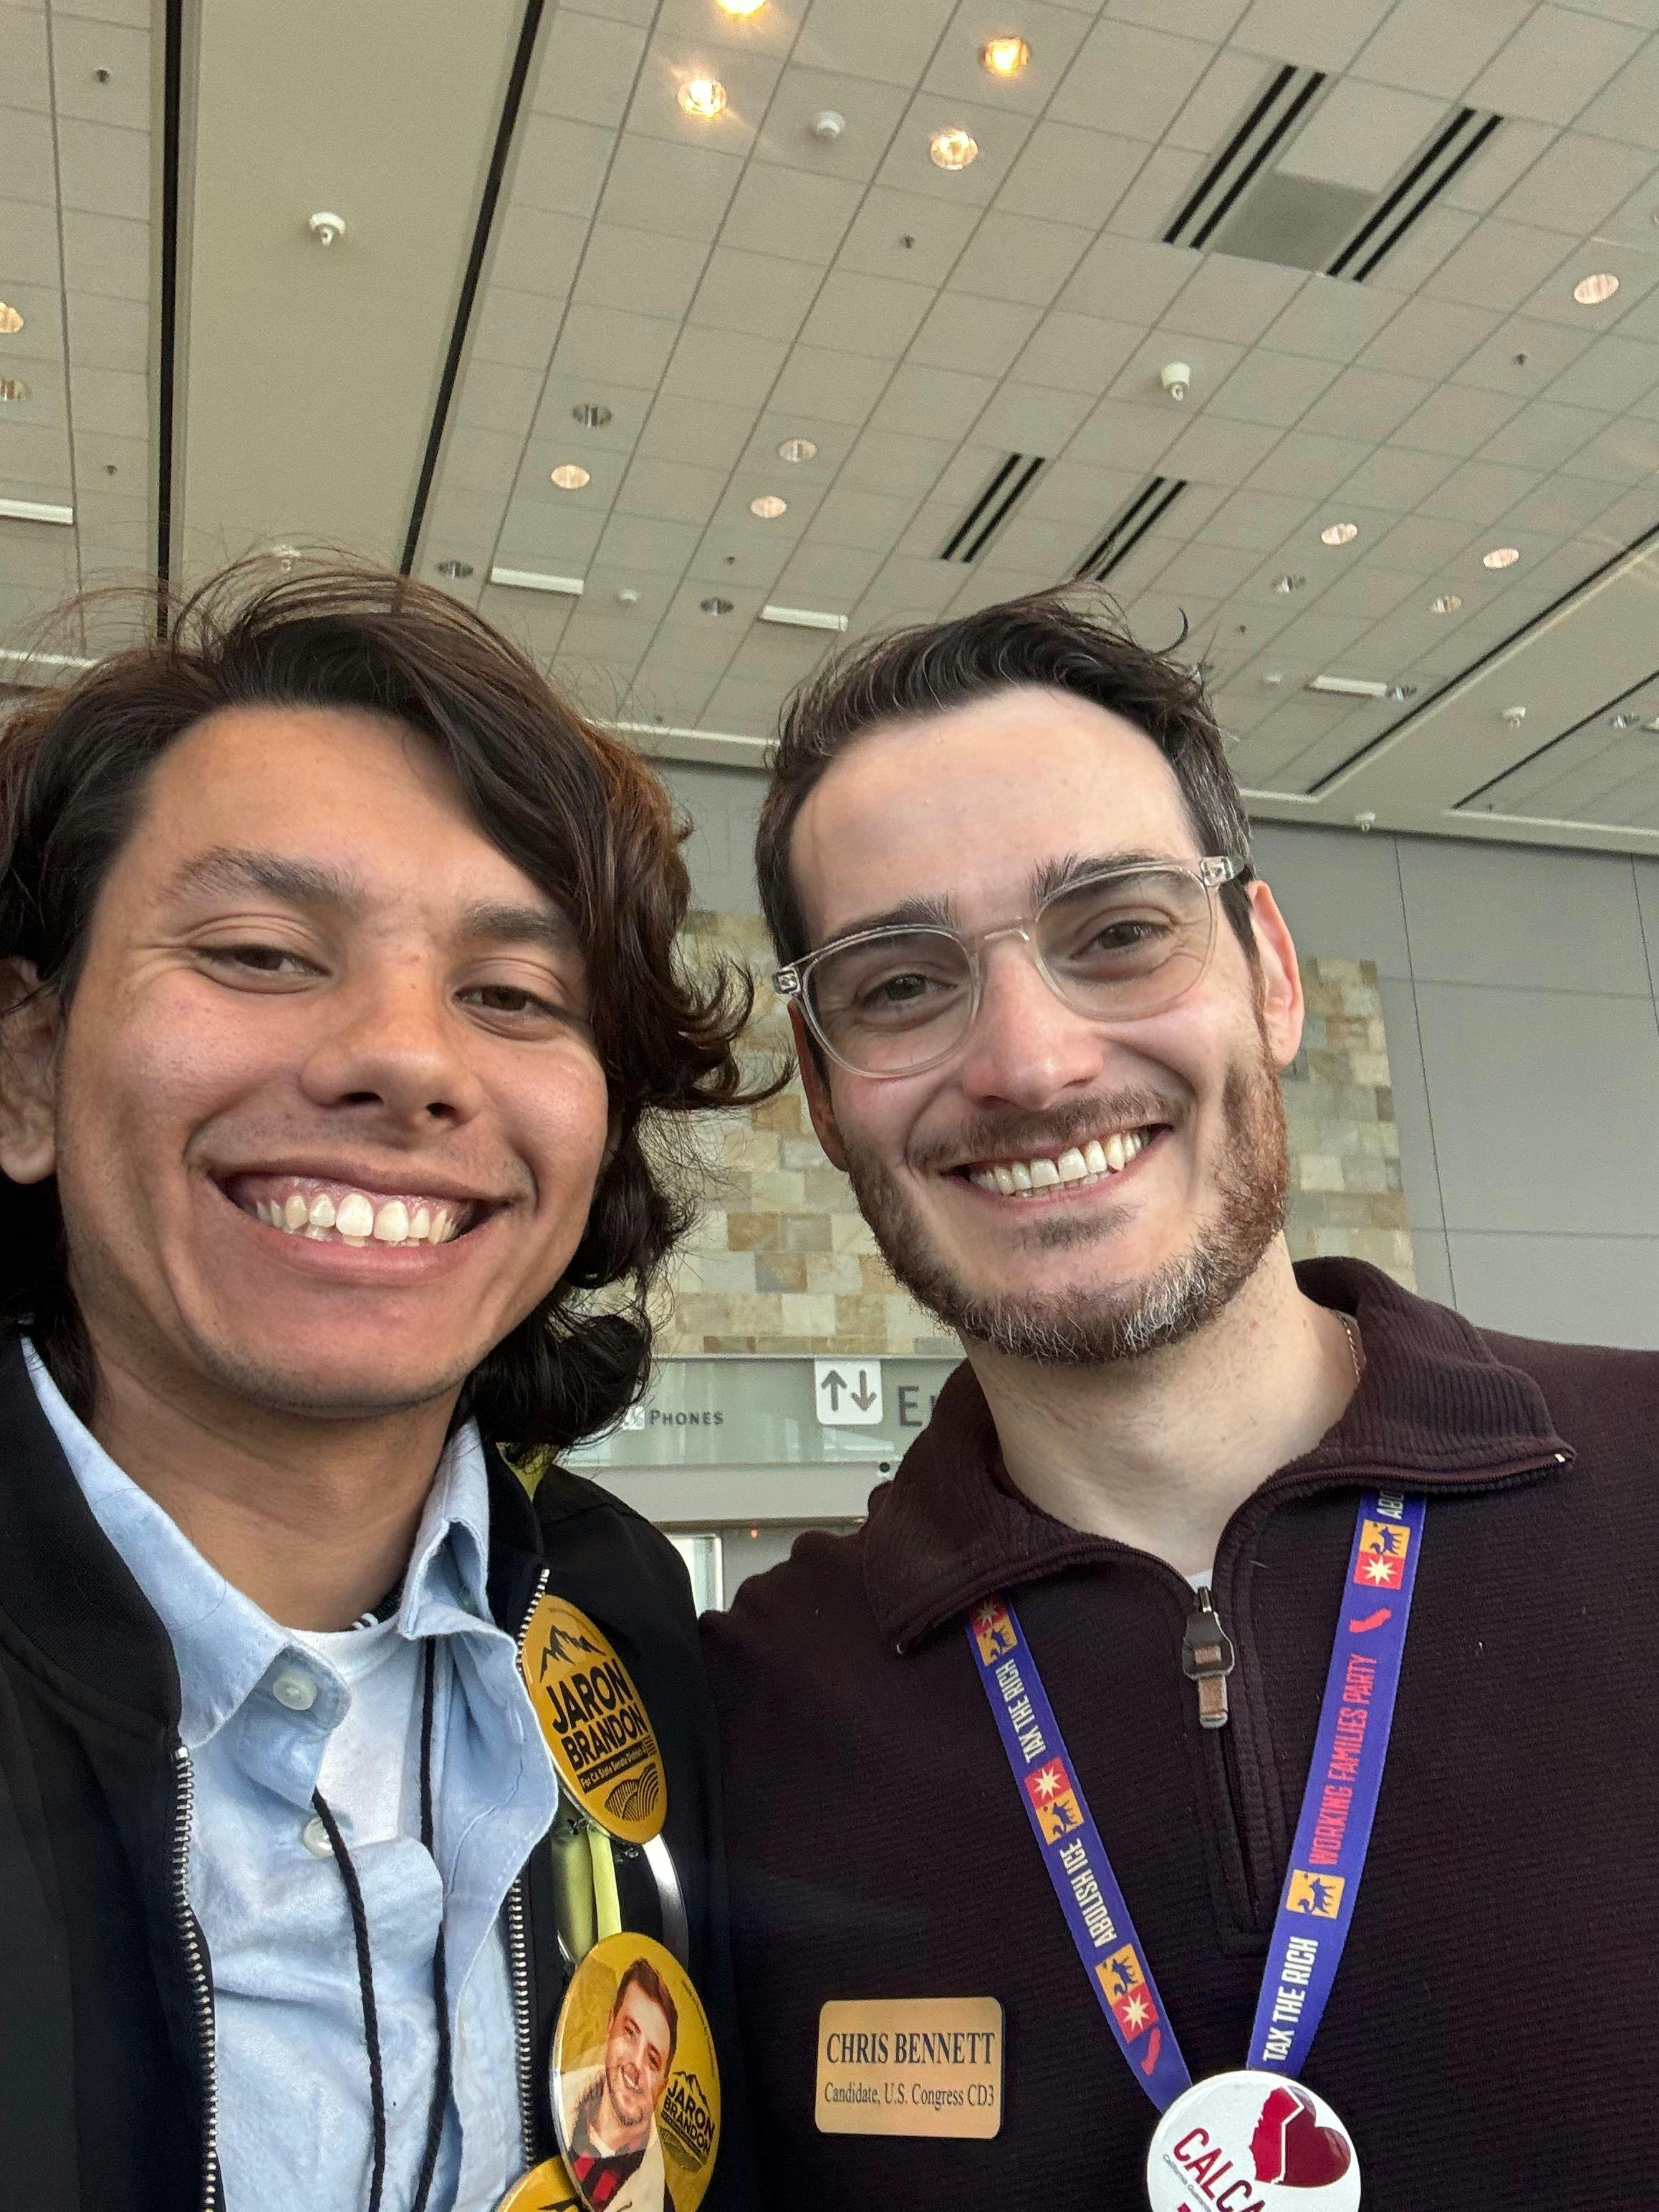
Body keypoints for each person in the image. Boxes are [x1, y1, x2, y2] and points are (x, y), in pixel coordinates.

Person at [702, 590, 1659, 2209]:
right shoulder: (746, 1713)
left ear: (1265, 972)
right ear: (818, 1088)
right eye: (897, 983)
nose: (1028, 1061)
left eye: (1116, 932)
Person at [0, 557, 759, 2212]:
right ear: (26, 1074)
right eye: (264, 951)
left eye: (511, 996)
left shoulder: (626, 1614)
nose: (408, 1059)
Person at [559, 1958, 681, 2212]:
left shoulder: (661, 2205)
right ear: (610, 2025)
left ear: (663, 2088)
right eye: (630, 2032)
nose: (635, 2064)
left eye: (653, 2060)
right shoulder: (543, 2100)